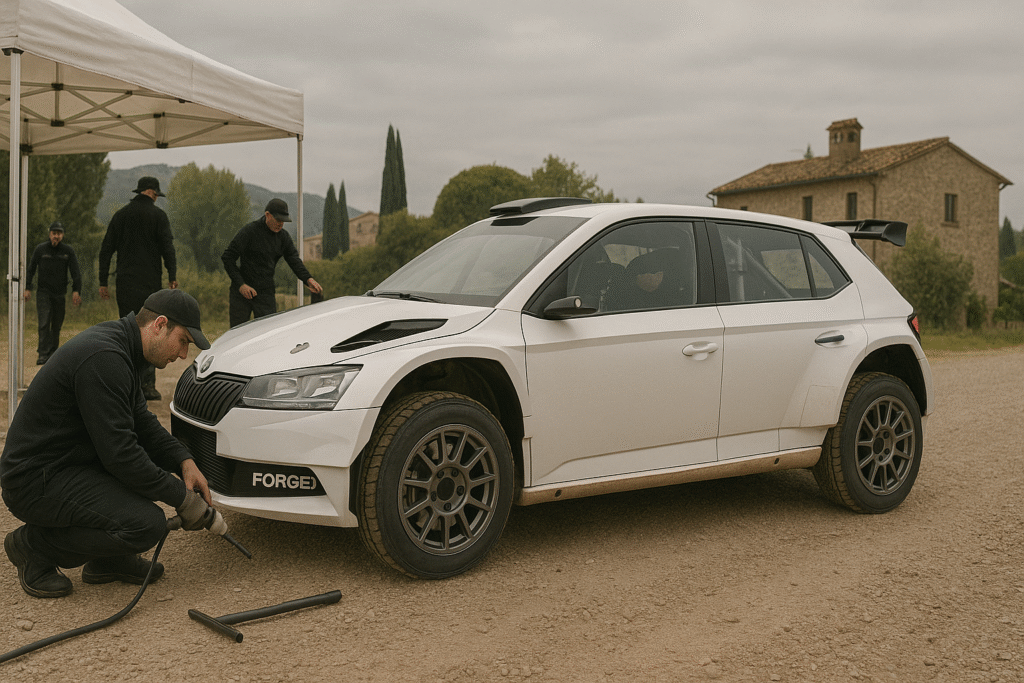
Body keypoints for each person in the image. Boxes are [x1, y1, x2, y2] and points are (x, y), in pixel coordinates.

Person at [1, 289, 216, 599]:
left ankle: (108, 561)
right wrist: (182, 499)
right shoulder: (105, 358)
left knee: (136, 499)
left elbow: (141, 423)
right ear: (159, 324)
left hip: (67, 465)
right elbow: (122, 456)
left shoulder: (122, 349)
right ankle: (33, 548)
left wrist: (183, 460)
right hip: (35, 480)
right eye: (183, 340)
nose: (183, 354)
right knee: (147, 524)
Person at [98, 176, 179, 400]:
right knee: (153, 331)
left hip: (125, 283)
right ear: (151, 192)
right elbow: (168, 248)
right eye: (156, 195)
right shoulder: (159, 216)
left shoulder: (121, 215)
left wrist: (102, 281)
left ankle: (127, 385)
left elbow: (106, 250)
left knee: (128, 332)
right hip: (150, 286)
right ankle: (148, 387)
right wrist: (172, 275)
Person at [221, 198, 323, 327]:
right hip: (241, 291)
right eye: (278, 220)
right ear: (267, 215)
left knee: (267, 332)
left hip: (265, 292)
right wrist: (241, 285)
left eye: (283, 221)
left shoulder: (283, 237)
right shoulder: (249, 231)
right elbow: (228, 258)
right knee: (237, 334)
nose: (280, 224)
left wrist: (308, 279)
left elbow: (294, 260)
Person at [24, 221, 82, 365]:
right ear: (49, 234)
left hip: (59, 293)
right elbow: (31, 269)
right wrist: (27, 288)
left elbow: (75, 272)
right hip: (43, 292)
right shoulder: (40, 249)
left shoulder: (67, 251)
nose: (56, 236)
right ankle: (43, 354)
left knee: (56, 324)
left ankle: (53, 354)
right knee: (44, 322)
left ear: (62, 235)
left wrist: (76, 291)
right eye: (54, 233)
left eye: (59, 233)